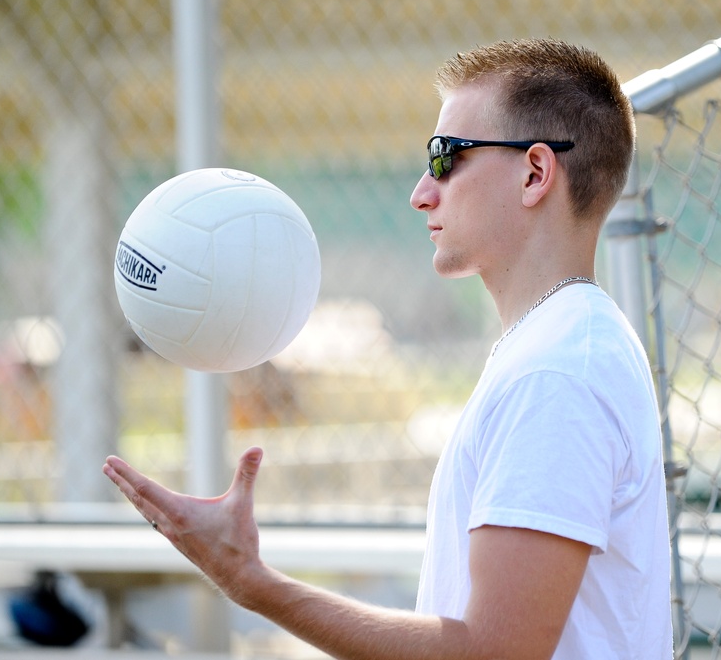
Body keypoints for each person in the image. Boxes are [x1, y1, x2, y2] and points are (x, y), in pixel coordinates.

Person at [103, 37, 673, 660]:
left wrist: (250, 583)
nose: (422, 192)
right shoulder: (558, 344)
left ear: (535, 173)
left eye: (445, 157)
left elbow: (494, 652)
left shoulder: (558, 371)